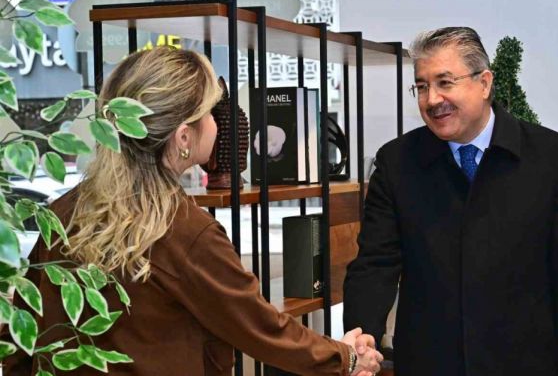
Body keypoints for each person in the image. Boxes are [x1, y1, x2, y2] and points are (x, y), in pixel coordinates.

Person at [3, 47, 382, 376]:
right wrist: (346, 358)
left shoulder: (64, 212)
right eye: (210, 113)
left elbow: (23, 333)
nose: (217, 123)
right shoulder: (184, 231)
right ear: (184, 136)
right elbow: (260, 328)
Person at [343, 26, 558, 375]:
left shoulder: (547, 155)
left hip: (525, 362)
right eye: (422, 86)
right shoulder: (397, 162)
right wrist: (362, 341)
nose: (432, 99)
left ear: (484, 83)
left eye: (445, 82)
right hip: (432, 362)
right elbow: (374, 265)